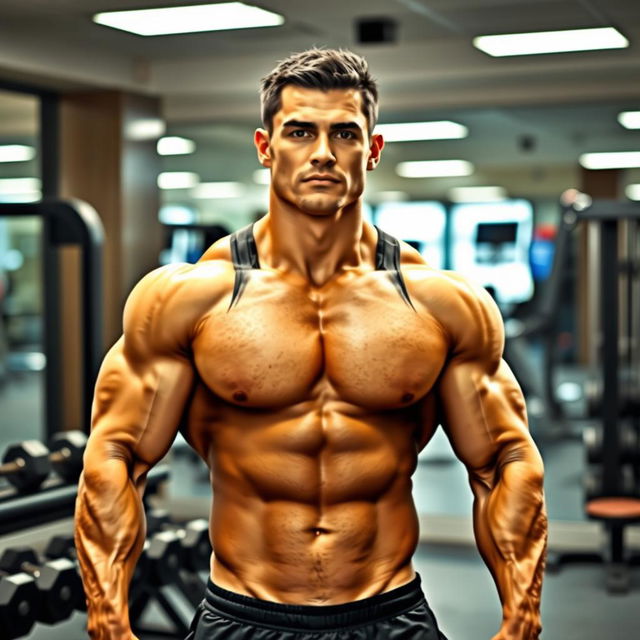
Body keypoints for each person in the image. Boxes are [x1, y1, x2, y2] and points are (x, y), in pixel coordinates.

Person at [75, 48, 547, 640]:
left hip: (388, 612)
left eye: (344, 133)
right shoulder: (187, 298)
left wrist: (521, 613)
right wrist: (109, 616)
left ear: (372, 150)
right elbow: (116, 454)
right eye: (299, 131)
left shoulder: (441, 303)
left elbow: (504, 460)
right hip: (243, 613)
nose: (322, 153)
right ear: (265, 146)